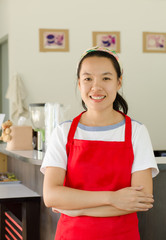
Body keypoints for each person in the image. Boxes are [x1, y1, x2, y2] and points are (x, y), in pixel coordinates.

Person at [41, 46, 159, 240]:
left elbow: (141, 200)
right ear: (79, 84)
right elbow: (51, 196)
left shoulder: (137, 132)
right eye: (88, 79)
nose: (96, 87)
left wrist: (77, 209)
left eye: (106, 78)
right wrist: (112, 198)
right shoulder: (63, 132)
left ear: (119, 82)